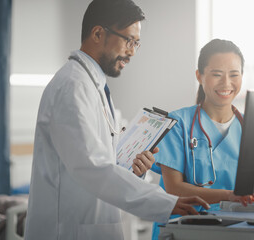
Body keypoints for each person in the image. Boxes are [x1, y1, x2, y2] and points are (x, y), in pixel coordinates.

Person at [24, 0, 210, 239]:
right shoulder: (72, 87)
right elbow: (94, 168)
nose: (132, 52)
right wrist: (165, 203)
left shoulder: (95, 87)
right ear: (98, 33)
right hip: (68, 230)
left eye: (137, 44)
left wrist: (134, 169)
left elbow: (105, 162)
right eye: (128, 41)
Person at [151, 39, 254, 239]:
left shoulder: (251, 127)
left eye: (234, 75)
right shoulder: (178, 123)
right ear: (199, 76)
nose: (226, 83)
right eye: (217, 75)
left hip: (233, 230)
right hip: (182, 229)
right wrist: (229, 195)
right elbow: (174, 188)